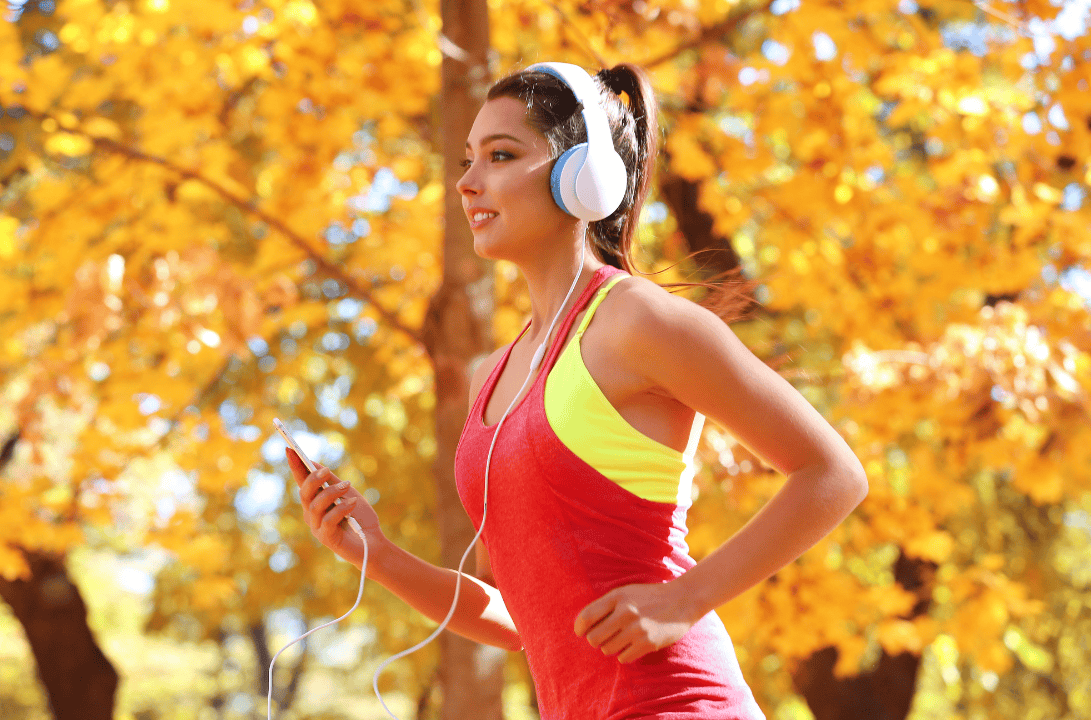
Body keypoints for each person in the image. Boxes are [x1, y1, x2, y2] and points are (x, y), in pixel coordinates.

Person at [289, 61, 868, 719]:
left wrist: (683, 600)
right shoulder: (494, 377)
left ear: (582, 177)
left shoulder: (636, 321)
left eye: (500, 156)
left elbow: (833, 472)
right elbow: (525, 621)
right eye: (466, 160)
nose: (468, 183)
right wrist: (379, 556)